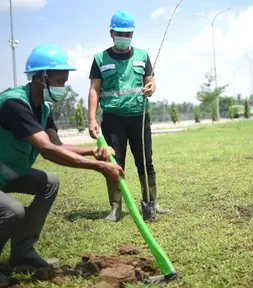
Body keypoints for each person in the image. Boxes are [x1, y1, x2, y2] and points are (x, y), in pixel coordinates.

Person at [0, 44, 124, 287]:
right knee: (12, 211)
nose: (62, 87)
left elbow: (56, 144)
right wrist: (100, 168)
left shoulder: (44, 109)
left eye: (64, 82)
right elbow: (47, 151)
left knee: (49, 183)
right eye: (58, 81)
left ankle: (22, 251)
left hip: (6, 172)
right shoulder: (14, 104)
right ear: (39, 77)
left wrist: (94, 151)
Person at [87, 10, 169, 222]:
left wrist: (151, 88)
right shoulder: (100, 59)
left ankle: (151, 202)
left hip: (139, 117)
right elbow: (94, 89)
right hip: (113, 120)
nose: (124, 37)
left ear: (132, 34)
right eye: (120, 33)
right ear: (111, 33)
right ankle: (115, 208)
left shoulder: (143, 55)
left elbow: (150, 82)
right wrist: (92, 118)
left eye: (128, 33)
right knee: (115, 162)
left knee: (145, 161)